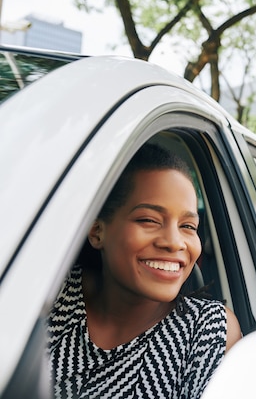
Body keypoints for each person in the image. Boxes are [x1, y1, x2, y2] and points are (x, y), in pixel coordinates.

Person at [47, 143, 242, 399]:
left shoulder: (208, 330)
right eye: (148, 220)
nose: (174, 242)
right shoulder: (50, 295)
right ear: (97, 231)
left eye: (188, 226)